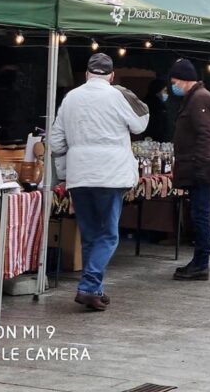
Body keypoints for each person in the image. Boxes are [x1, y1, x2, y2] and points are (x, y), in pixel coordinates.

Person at [50, 53, 149, 311]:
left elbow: (56, 142)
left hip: (80, 176)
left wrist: (65, 169)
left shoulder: (70, 98)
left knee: (91, 234)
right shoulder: (117, 96)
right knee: (108, 235)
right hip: (110, 175)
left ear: (86, 74)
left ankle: (95, 289)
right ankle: (88, 287)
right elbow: (140, 125)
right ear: (112, 76)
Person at [170, 59, 210, 281]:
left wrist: (200, 168)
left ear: (184, 80)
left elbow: (206, 136)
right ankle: (199, 261)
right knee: (199, 215)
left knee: (201, 216)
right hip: (197, 168)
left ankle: (201, 263)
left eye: (175, 81)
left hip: (200, 170)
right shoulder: (196, 98)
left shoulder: (199, 99)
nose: (173, 86)